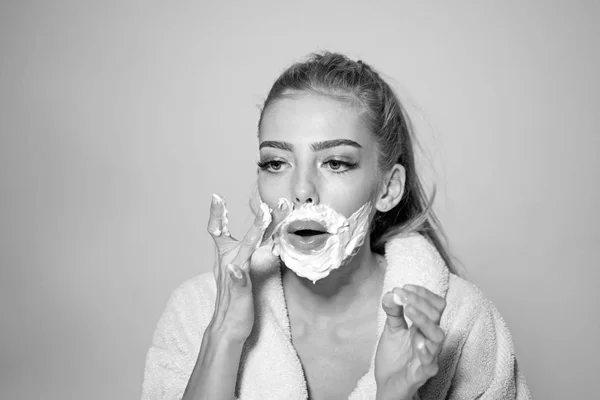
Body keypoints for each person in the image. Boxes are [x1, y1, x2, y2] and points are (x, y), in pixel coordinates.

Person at [141, 52, 531, 400]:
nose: (302, 191)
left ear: (388, 188)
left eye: (336, 163)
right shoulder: (197, 311)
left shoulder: (462, 323)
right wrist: (223, 333)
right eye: (276, 163)